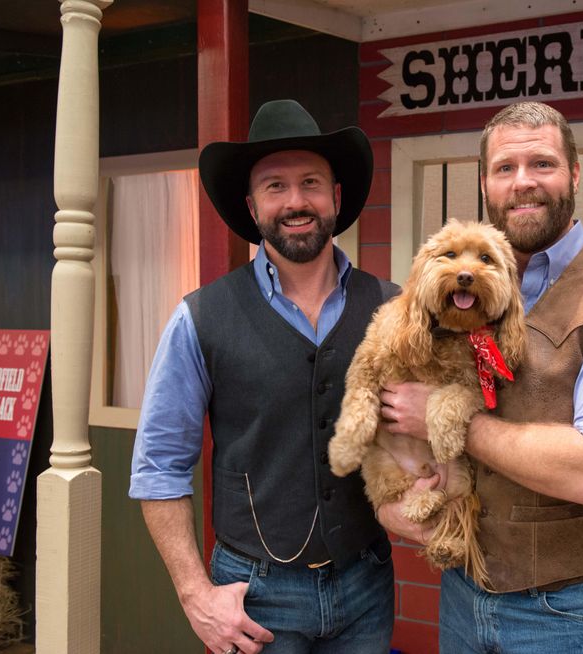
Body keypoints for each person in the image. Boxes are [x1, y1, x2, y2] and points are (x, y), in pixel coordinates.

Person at [377, 101, 583, 653]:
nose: (523, 182)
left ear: (574, 173)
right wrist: (393, 501)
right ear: (484, 184)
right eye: (505, 168)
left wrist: (446, 419)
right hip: (463, 591)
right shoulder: (457, 293)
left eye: (542, 163)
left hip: (565, 613)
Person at [129, 100, 400, 654]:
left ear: (336, 196)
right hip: (254, 596)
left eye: (311, 183)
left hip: (367, 584)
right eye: (275, 186)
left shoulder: (392, 307)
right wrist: (194, 595)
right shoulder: (200, 317)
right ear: (252, 207)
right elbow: (159, 467)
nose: (296, 201)